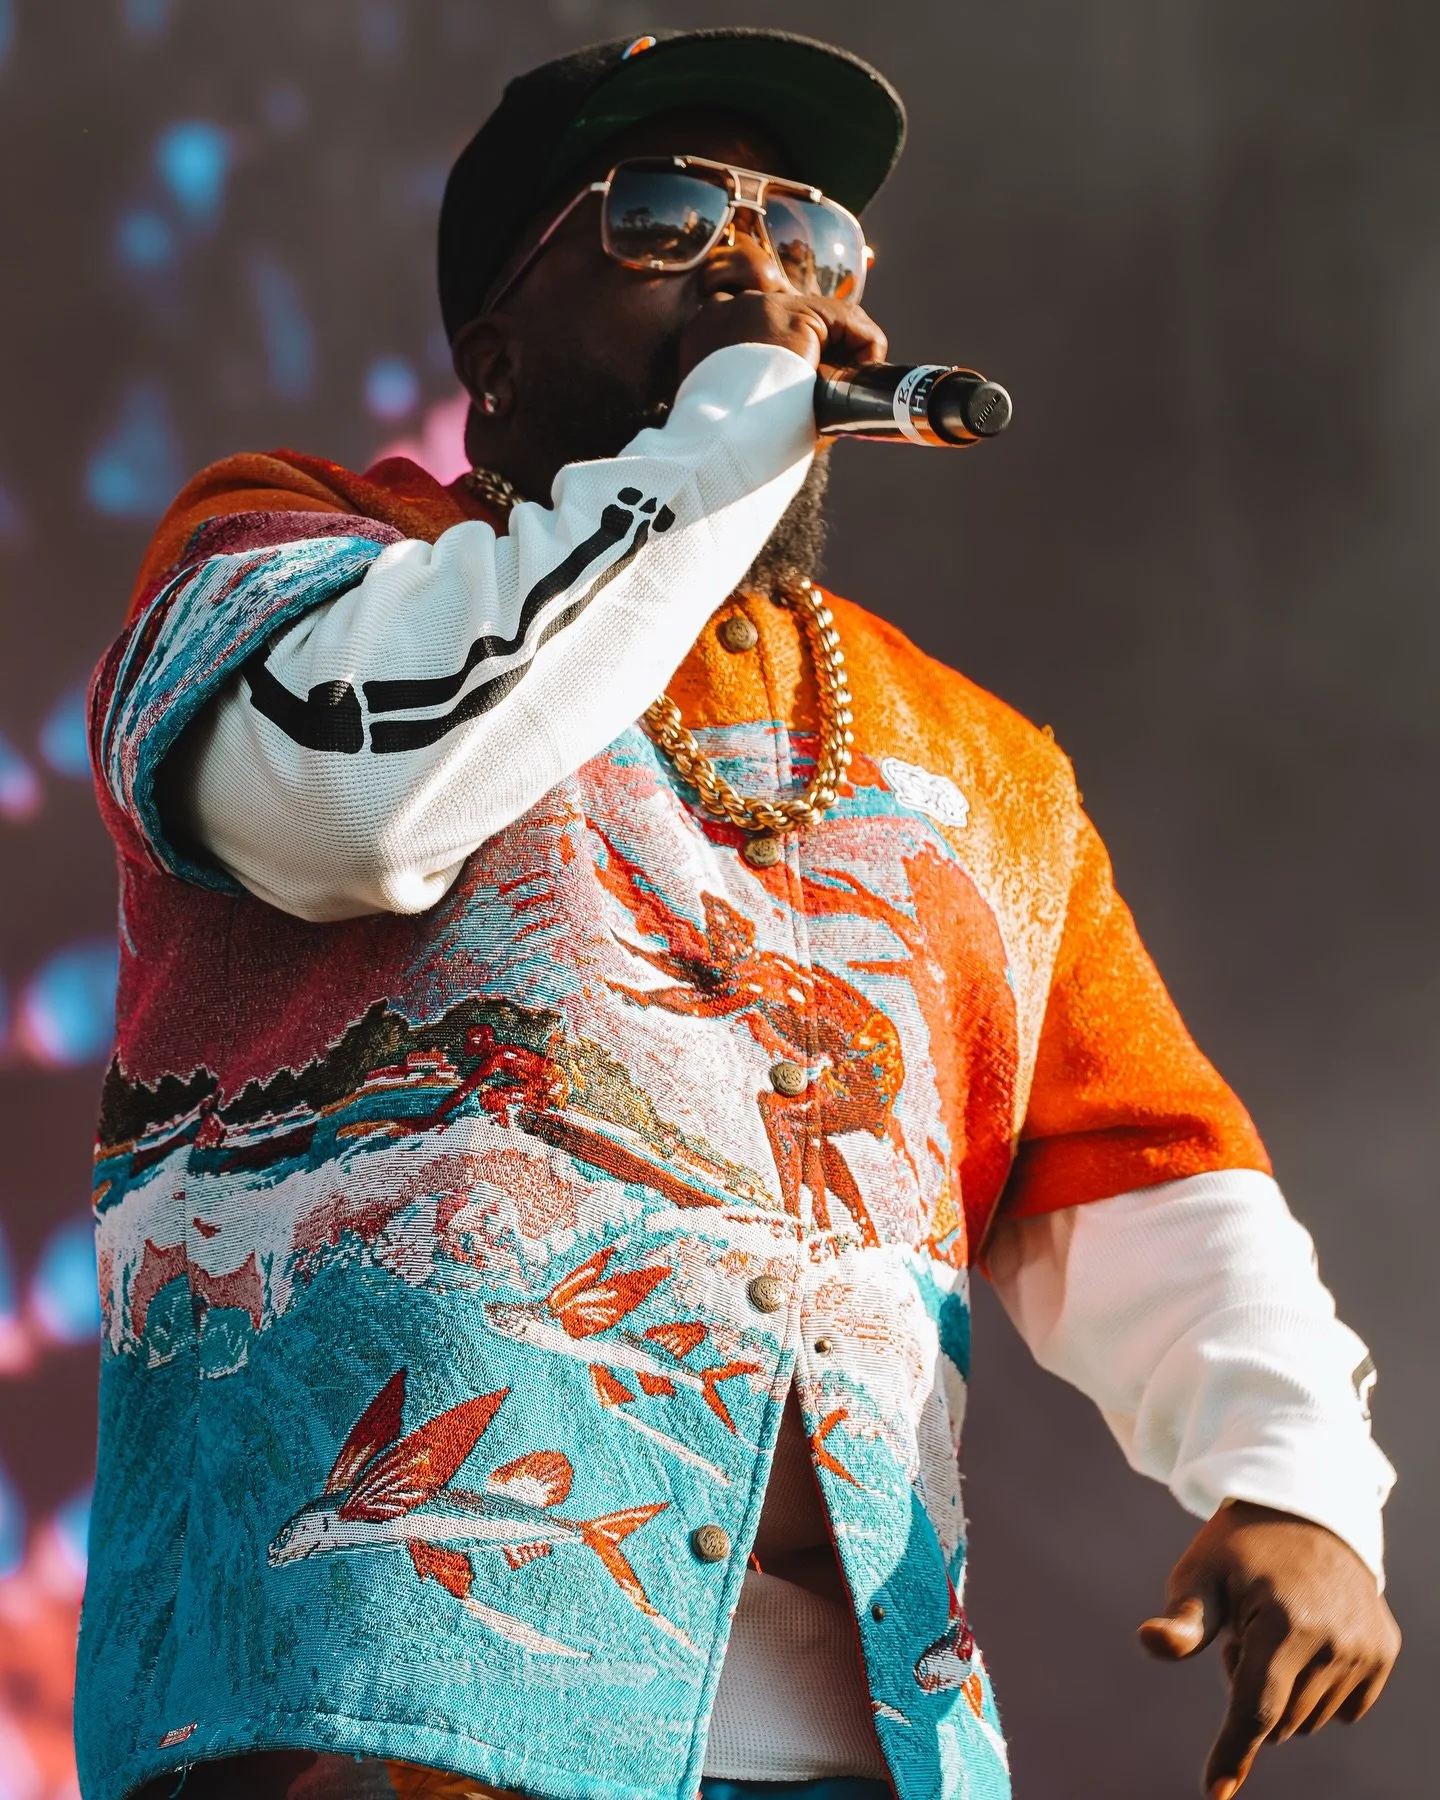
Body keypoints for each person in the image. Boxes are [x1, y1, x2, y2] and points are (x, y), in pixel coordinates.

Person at [77, 28, 1398, 1800]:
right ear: (493, 351)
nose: (759, 272)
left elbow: (1147, 1171)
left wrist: (1296, 1479)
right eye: (668, 215)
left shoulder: (975, 765)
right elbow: (354, 807)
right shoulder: (284, 562)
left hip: (859, 1750)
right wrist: (709, 444)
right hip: (379, 1717)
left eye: (811, 241)